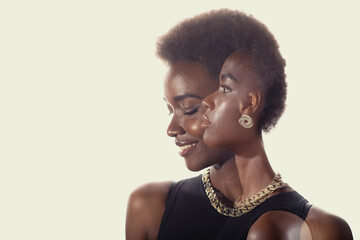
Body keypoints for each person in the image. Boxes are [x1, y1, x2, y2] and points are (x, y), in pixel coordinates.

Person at [126, 9, 353, 239]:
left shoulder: (321, 229)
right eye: (170, 110)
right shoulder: (151, 208)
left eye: (190, 110)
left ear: (248, 101)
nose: (172, 129)